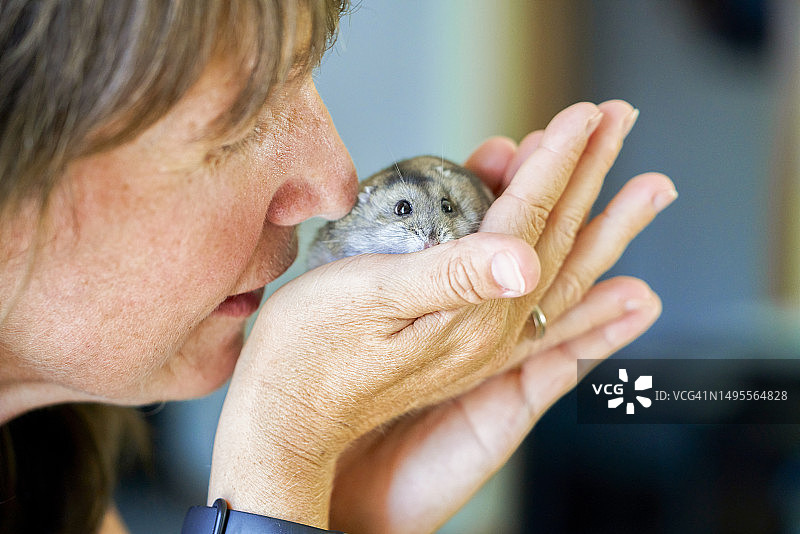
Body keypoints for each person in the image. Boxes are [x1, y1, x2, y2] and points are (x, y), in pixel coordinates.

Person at [0, 1, 677, 533]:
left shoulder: (41, 464)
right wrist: (277, 459)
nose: (339, 190)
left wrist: (331, 509)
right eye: (234, 129)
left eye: (307, 80)